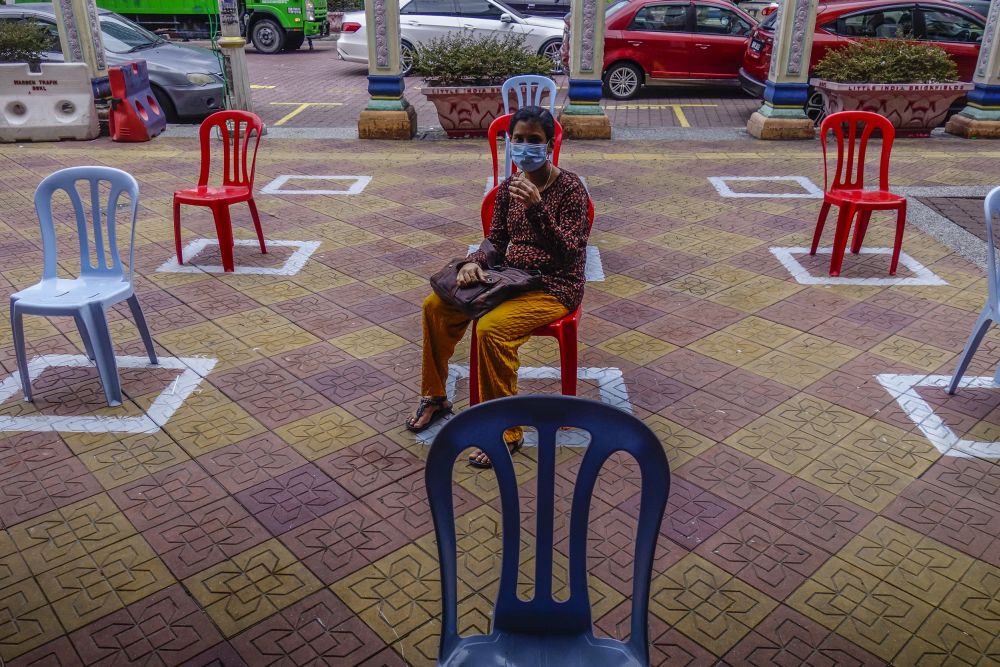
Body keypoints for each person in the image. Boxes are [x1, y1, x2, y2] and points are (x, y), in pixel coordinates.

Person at [405, 106, 591, 468]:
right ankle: (435, 396)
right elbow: (497, 239)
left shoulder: (570, 190)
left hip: (554, 285)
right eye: (517, 140)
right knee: (435, 305)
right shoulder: (509, 187)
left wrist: (537, 209)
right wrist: (475, 262)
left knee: (491, 329)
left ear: (550, 145)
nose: (524, 148)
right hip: (511, 277)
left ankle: (507, 429)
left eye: (533, 140)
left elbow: (569, 253)